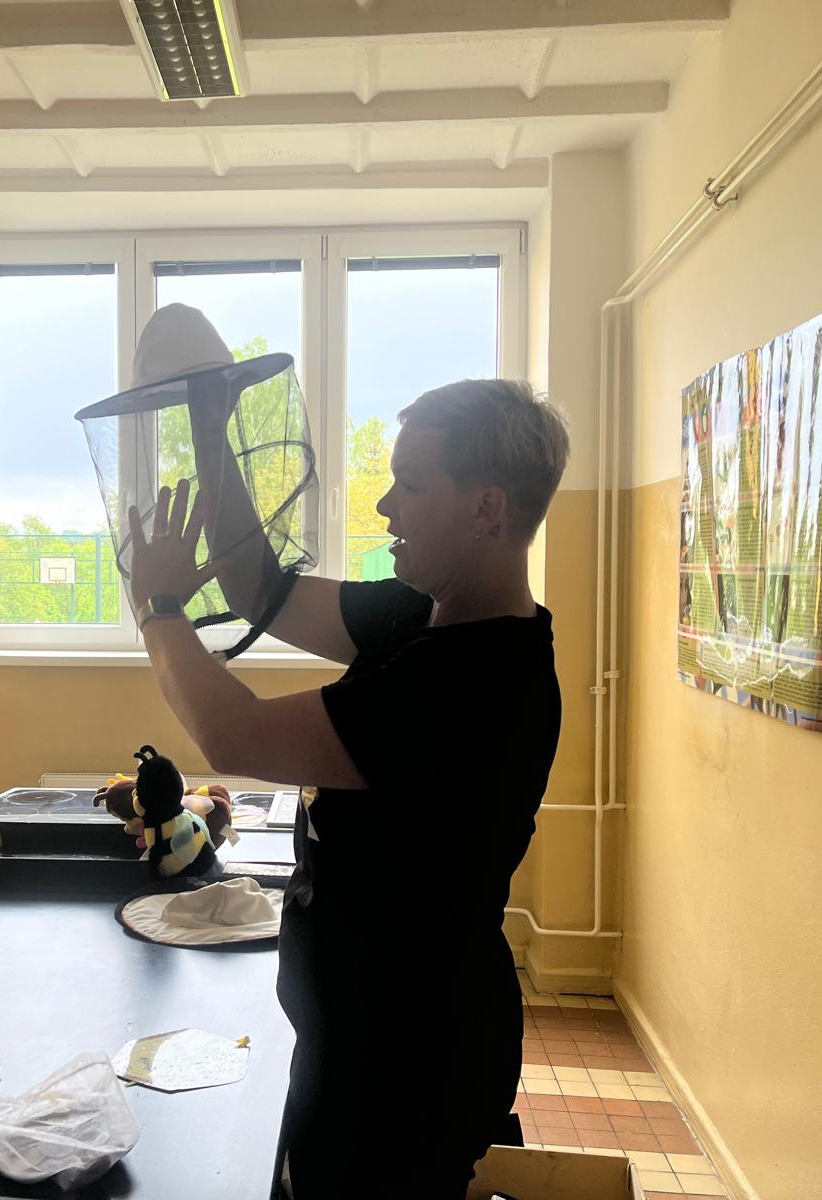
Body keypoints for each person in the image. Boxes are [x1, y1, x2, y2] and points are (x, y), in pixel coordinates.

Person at [126, 374, 569, 1197]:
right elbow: (261, 590)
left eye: (411, 484)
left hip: (406, 1064)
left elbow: (234, 734)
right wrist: (213, 429)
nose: (386, 507)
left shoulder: (474, 681)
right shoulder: (427, 612)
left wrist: (157, 608)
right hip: (366, 1032)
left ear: (487, 509)